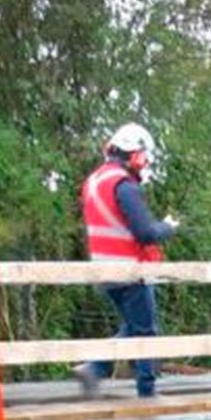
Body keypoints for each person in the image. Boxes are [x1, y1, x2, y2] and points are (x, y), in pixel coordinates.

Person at [76, 123, 179, 400]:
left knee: (132, 327)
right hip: (129, 269)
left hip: (105, 270)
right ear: (134, 154)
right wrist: (167, 227)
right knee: (145, 332)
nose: (145, 164)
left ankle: (94, 368)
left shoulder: (94, 181)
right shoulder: (123, 185)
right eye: (144, 157)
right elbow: (145, 233)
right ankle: (147, 393)